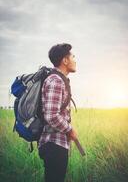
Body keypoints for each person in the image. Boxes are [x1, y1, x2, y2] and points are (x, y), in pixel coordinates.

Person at [38, 43, 78, 182]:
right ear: (65, 60)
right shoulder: (55, 81)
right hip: (54, 144)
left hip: (56, 144)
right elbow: (51, 115)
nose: (75, 60)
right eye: (73, 56)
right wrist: (70, 129)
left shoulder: (59, 79)